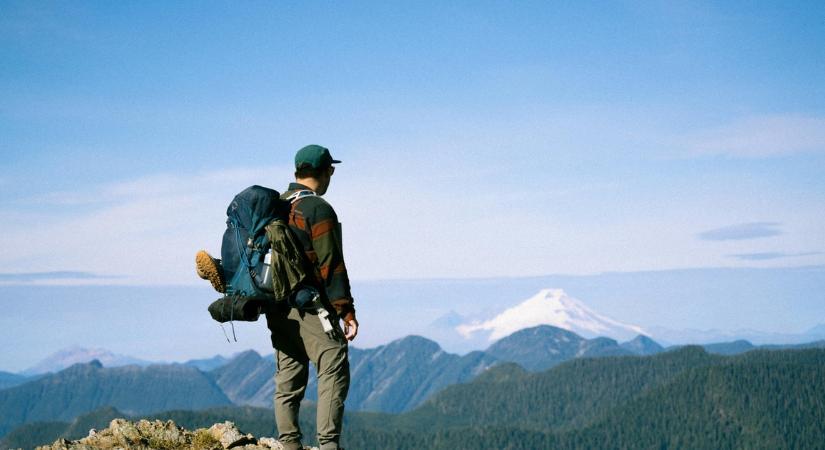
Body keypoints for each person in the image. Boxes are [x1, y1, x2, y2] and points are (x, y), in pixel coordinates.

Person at [264, 144, 357, 450]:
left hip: (275, 303)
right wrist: (346, 310)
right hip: (308, 305)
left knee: (288, 376)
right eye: (331, 170)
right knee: (333, 361)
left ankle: (289, 444)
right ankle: (328, 445)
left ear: (296, 173)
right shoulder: (317, 209)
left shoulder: (275, 205)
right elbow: (331, 263)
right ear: (327, 171)